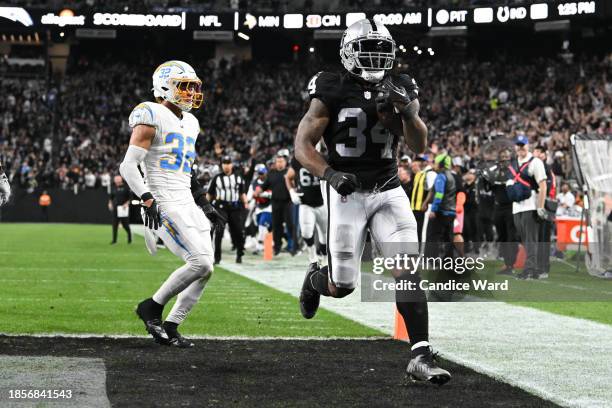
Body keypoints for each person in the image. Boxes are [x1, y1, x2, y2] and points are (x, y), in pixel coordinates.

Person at [294, 19, 450, 384]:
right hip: (346, 190)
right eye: (368, 49)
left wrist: (404, 113)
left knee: (408, 271)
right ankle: (315, 278)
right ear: (348, 51)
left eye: (382, 50)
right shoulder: (330, 86)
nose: (376, 57)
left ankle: (420, 355)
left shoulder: (401, 84)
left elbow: (420, 144)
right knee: (342, 286)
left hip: (388, 188)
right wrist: (330, 174)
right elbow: (302, 147)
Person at [119, 60, 224, 348]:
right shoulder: (150, 113)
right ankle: (151, 307)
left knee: (208, 267)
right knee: (199, 262)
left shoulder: (191, 122)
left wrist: (205, 203)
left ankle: (172, 324)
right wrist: (147, 198)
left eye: (193, 87)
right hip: (162, 200)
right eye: (184, 86)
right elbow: (128, 167)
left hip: (186, 200)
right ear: (164, 87)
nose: (190, 93)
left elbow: (187, 172)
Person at [506, 135, 548, 280]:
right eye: (518, 145)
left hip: (530, 206)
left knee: (531, 240)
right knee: (524, 240)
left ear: (528, 146)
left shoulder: (535, 162)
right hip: (516, 207)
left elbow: (543, 185)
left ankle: (529, 269)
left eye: (523, 145)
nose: (520, 147)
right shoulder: (512, 164)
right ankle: (534, 268)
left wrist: (540, 207)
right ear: (515, 147)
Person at [286, 153, 328, 264]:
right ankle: (312, 255)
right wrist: (291, 192)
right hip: (306, 203)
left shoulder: (324, 157)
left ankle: (324, 257)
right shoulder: (298, 158)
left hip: (322, 203)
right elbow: (288, 177)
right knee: (306, 232)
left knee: (325, 234)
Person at [207, 156, 248, 264]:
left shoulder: (238, 177)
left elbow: (242, 193)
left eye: (228, 163)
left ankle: (239, 254)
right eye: (224, 163)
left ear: (231, 164)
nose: (226, 165)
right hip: (221, 207)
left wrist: (246, 203)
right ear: (222, 165)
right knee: (219, 231)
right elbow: (210, 194)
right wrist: (206, 206)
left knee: (239, 232)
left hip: (235, 208)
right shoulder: (216, 178)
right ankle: (217, 258)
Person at [255, 151, 295, 256]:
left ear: (285, 162)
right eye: (278, 161)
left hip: (288, 203)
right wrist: (259, 190)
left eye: (281, 161)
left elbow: (295, 185)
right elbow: (264, 186)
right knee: (277, 226)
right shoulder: (271, 173)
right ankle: (277, 247)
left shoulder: (289, 172)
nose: (279, 163)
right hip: (275, 203)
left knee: (290, 225)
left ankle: (293, 246)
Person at [425, 154, 456, 261]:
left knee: (433, 236)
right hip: (451, 212)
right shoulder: (452, 176)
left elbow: (439, 194)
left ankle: (431, 260)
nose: (434, 165)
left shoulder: (441, 176)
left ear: (441, 164)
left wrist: (433, 209)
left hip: (441, 211)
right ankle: (449, 262)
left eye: (436, 162)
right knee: (448, 238)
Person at [409, 156, 430, 246]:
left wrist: (425, 203)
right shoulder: (415, 176)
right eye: (412, 166)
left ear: (419, 166)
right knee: (413, 230)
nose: (412, 168)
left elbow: (429, 191)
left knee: (420, 230)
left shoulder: (425, 175)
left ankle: (421, 251)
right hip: (413, 208)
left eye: (414, 166)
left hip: (421, 208)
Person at [109, 175, 132, 245]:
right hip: (115, 209)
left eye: (117, 180)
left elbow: (130, 198)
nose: (116, 181)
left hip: (123, 209)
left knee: (125, 225)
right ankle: (114, 240)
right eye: (115, 180)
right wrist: (109, 203)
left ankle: (129, 238)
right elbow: (111, 197)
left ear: (120, 180)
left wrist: (126, 203)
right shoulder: (114, 187)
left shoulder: (126, 187)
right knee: (114, 225)